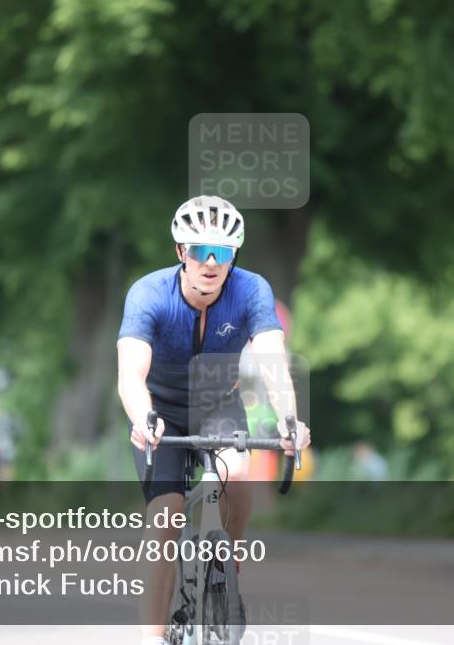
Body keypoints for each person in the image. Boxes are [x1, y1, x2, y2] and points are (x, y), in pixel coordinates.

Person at [117, 195, 311, 645]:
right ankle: (151, 637)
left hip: (217, 404)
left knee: (237, 472)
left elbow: (271, 359)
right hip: (159, 410)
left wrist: (289, 419)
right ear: (180, 252)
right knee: (165, 519)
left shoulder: (251, 290)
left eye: (221, 252)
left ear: (233, 257)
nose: (209, 262)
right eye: (199, 250)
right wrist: (142, 417)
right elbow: (130, 374)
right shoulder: (148, 295)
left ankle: (229, 555)